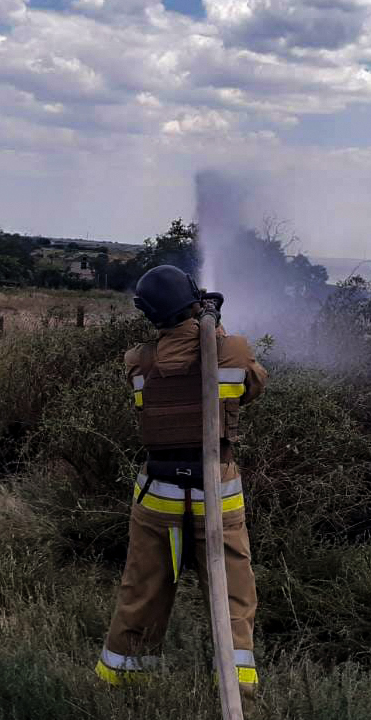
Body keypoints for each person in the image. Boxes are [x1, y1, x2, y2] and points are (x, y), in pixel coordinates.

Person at [95, 265, 268, 696]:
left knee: (143, 592)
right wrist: (215, 325)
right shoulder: (232, 350)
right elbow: (253, 384)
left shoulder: (139, 362)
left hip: (158, 495)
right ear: (193, 301)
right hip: (217, 495)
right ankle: (236, 691)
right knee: (231, 598)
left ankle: (124, 683)